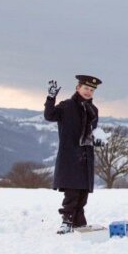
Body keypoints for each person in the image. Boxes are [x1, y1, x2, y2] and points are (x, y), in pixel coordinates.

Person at [44, 75, 106, 234]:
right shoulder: (67, 105)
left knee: (83, 193)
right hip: (70, 155)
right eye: (86, 88)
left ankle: (78, 221)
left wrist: (98, 139)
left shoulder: (94, 110)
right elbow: (49, 115)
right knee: (72, 191)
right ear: (78, 88)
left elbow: (92, 132)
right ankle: (67, 221)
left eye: (92, 90)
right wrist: (51, 97)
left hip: (86, 156)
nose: (88, 92)